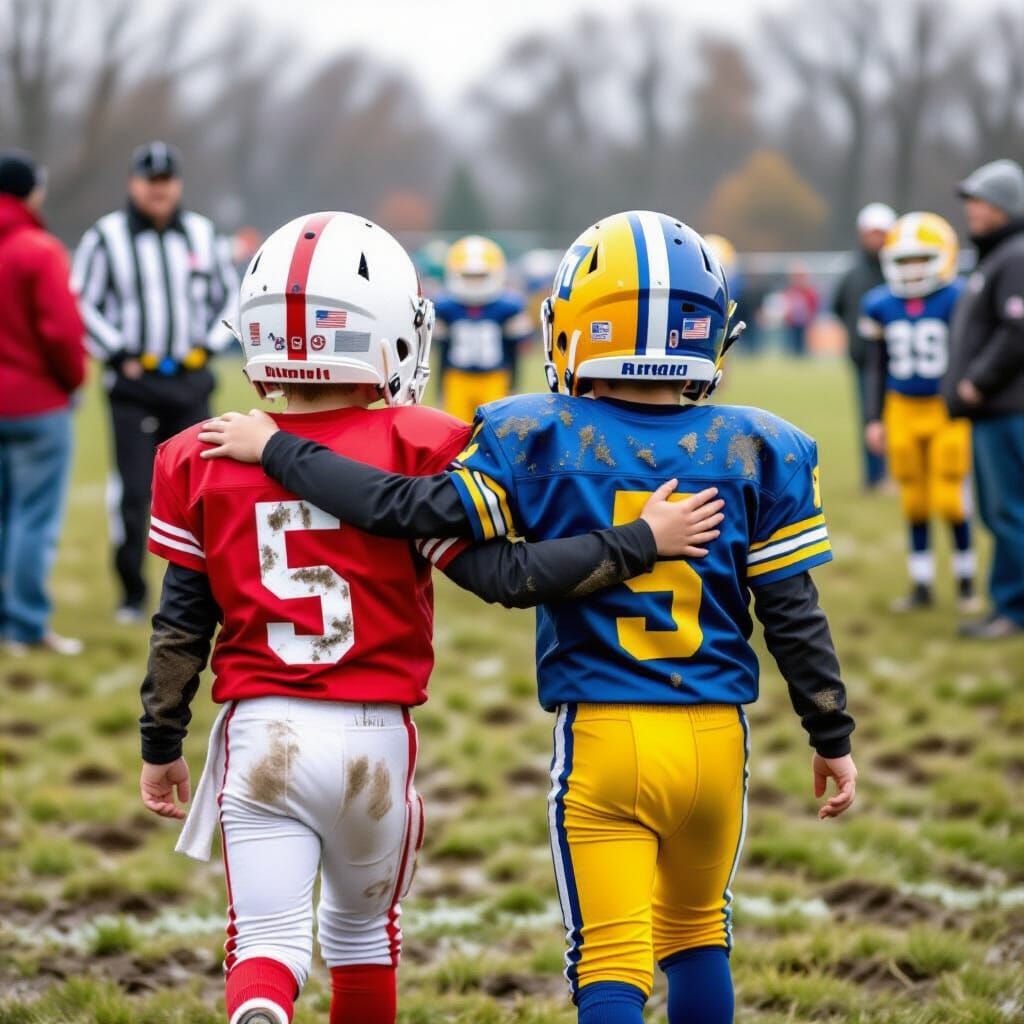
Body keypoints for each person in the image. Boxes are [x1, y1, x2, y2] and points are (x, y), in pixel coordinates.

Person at [200, 210, 858, 1024]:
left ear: (575, 327)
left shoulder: (535, 435)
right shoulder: (759, 447)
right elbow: (794, 613)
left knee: (611, 957)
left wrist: (279, 449)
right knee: (697, 932)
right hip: (719, 738)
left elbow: (404, 509)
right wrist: (831, 733)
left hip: (606, 734)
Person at [71, 141, 239, 623]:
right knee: (132, 492)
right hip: (133, 385)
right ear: (134, 183)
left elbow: (230, 295)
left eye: (166, 181)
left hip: (190, 381)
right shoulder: (106, 237)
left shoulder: (203, 234)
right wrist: (117, 352)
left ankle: (204, 587)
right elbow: (80, 300)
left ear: (177, 185)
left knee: (202, 490)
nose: (158, 190)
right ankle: (132, 591)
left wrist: (209, 346)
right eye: (150, 181)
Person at [860, 213, 978, 613]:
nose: (912, 269)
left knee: (950, 497)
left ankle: (966, 581)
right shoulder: (879, 303)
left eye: (921, 259)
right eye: (904, 260)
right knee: (913, 499)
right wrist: (873, 418)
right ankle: (922, 584)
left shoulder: (958, 296)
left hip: (946, 409)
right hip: (901, 408)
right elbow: (876, 366)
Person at [0, 150, 86, 655]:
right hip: (35, 405)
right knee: (33, 518)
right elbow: (62, 331)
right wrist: (73, 381)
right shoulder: (38, 249)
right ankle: (26, 625)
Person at [944, 159, 1024, 639]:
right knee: (1000, 511)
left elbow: (1018, 329)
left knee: (1008, 510)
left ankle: (1013, 611)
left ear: (1004, 206)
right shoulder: (998, 256)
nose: (971, 208)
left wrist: (976, 382)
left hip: (1006, 411)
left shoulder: (1014, 256)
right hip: (995, 412)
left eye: (980, 200)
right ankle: (1007, 605)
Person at [832, 202, 897, 490]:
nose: (876, 239)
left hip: (898, 360)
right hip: (863, 361)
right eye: (871, 233)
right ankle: (874, 477)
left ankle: (900, 473)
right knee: (869, 418)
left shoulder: (899, 271)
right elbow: (838, 307)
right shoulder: (852, 274)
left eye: (880, 233)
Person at [434, 234, 532, 422]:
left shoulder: (509, 307)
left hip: (495, 378)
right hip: (457, 378)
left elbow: (514, 351)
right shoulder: (445, 307)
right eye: (468, 276)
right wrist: (440, 388)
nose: (474, 282)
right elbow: (442, 350)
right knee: (456, 427)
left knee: (495, 427)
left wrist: (513, 384)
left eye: (481, 276)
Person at [780, 263, 819, 356]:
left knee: (803, 344)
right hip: (791, 322)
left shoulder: (809, 291)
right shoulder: (789, 290)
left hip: (805, 322)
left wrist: (810, 317)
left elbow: (814, 304)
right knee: (790, 343)